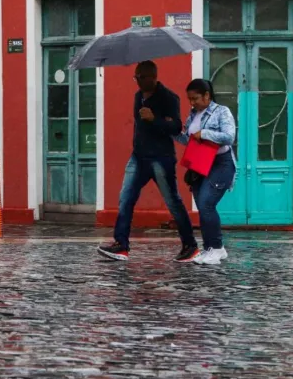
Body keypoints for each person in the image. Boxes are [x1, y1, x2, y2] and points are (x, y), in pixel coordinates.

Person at [98, 61, 199, 263]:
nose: (137, 82)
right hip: (138, 157)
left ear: (153, 77)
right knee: (125, 198)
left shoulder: (169, 98)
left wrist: (155, 119)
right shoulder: (138, 97)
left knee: (173, 202)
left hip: (161, 158)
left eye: (141, 78)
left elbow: (176, 127)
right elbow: (139, 126)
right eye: (135, 78)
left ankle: (190, 246)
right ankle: (121, 246)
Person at [175, 78, 237, 266]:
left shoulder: (221, 112)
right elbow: (189, 140)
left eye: (195, 98)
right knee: (203, 207)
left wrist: (205, 133)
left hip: (221, 163)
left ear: (207, 96)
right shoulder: (193, 115)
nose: (192, 103)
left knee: (206, 203)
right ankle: (210, 248)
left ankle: (216, 247)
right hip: (200, 164)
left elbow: (229, 137)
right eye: (190, 99)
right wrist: (173, 130)